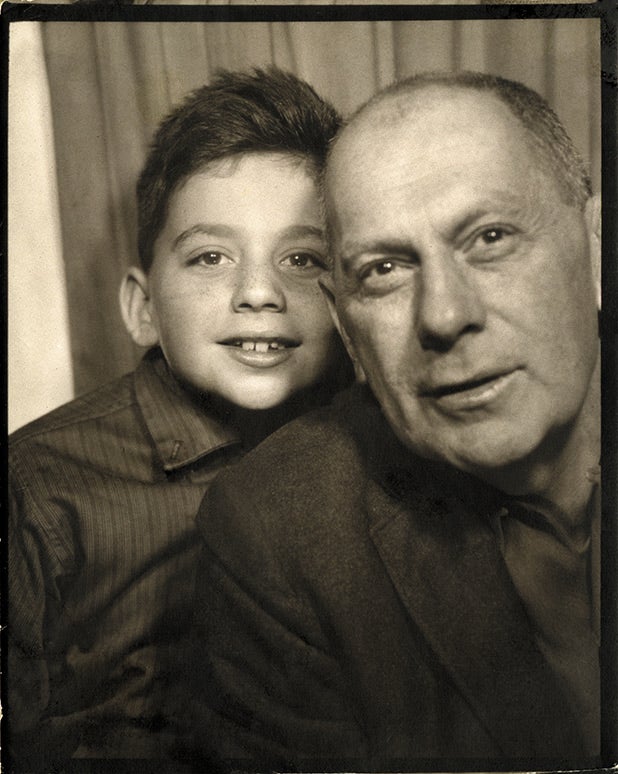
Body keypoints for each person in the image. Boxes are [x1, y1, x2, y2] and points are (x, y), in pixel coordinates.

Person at [190, 71, 602, 771]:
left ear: (599, 247)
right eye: (383, 270)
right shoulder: (279, 534)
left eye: (490, 237)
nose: (443, 315)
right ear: (346, 328)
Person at [8, 67, 350, 769]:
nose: (260, 292)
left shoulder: (383, 457)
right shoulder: (39, 486)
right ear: (141, 307)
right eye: (210, 256)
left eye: (303, 257)